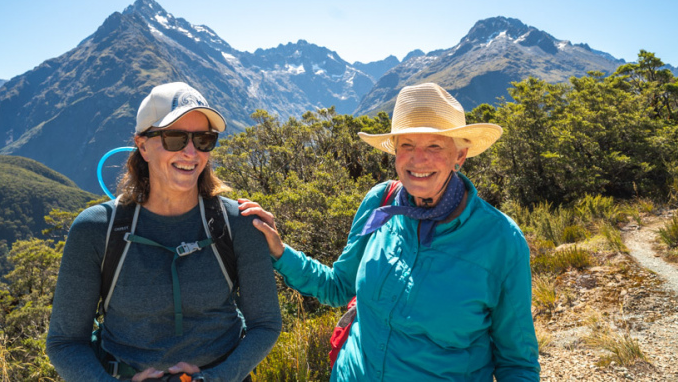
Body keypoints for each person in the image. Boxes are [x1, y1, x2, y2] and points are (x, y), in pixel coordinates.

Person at [240, 83, 540, 381]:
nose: (417, 158)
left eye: (434, 145)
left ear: (459, 156)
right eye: (406, 144)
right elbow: (339, 287)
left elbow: (518, 365)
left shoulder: (501, 241)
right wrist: (279, 251)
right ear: (395, 152)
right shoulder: (380, 203)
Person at [47, 82, 282, 382]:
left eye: (203, 139)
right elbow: (64, 343)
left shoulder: (237, 222)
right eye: (174, 138)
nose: (190, 152)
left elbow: (266, 323)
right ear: (142, 146)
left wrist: (215, 379)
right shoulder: (95, 230)